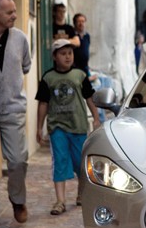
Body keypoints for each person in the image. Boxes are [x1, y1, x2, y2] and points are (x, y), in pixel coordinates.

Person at [36, 38, 100, 214]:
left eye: (70, 53)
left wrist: (96, 117)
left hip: (78, 126)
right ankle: (60, 201)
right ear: (54, 57)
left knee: (80, 164)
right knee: (60, 161)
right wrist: (39, 127)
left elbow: (89, 97)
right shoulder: (48, 78)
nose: (67, 57)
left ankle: (80, 195)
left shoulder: (80, 75)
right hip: (57, 127)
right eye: (63, 54)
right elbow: (43, 103)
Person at [0, 0, 31, 228]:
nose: (14, 15)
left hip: (13, 108)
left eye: (15, 11)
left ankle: (17, 200)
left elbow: (26, 66)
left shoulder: (20, 38)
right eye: (9, 12)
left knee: (18, 160)